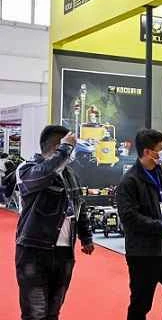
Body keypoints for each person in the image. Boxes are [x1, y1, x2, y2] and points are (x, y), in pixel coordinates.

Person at [15, 125, 94, 320]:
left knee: (53, 312)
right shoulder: (27, 169)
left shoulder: (70, 174)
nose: (72, 153)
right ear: (58, 147)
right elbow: (44, 174)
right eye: (70, 147)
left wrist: (86, 236)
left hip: (64, 253)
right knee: (35, 314)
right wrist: (65, 149)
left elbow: (79, 205)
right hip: (34, 250)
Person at [117, 129, 162, 320]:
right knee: (141, 304)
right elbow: (130, 218)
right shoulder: (129, 181)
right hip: (144, 253)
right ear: (148, 152)